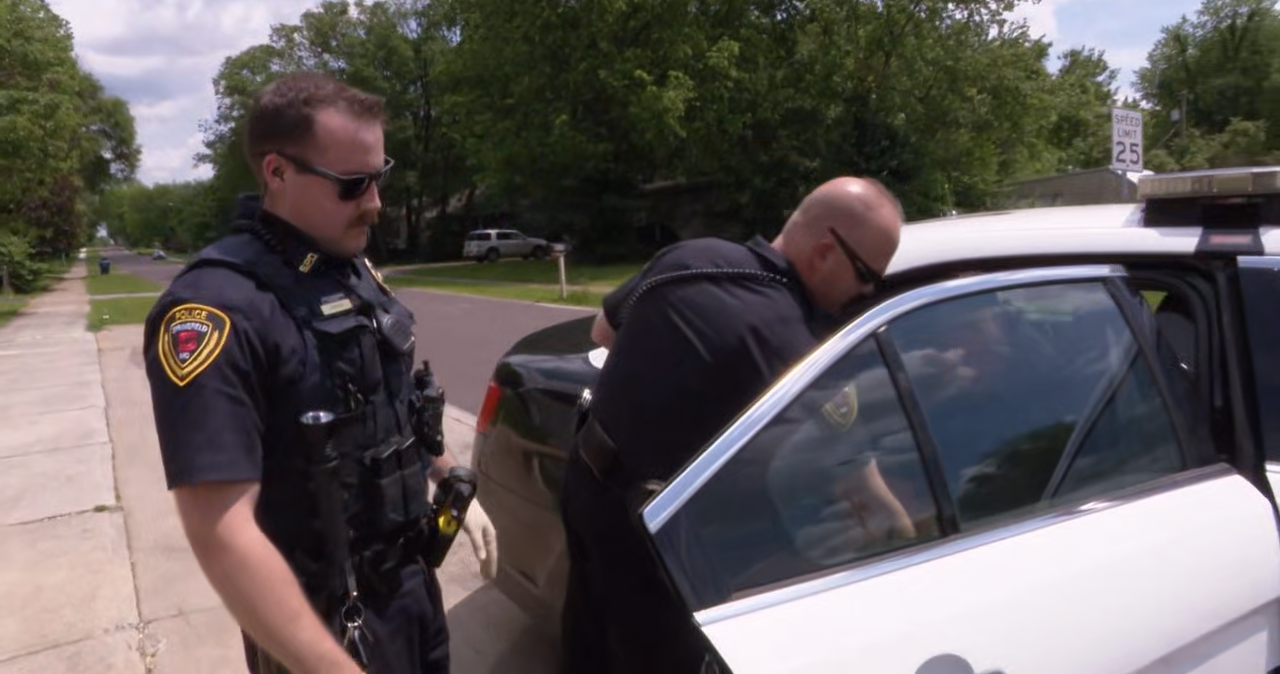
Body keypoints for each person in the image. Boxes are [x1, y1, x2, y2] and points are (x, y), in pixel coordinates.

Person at [142, 71, 497, 674]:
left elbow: (391, 400)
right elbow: (220, 531)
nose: (375, 203)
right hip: (321, 624)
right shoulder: (216, 309)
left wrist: (447, 475)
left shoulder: (350, 268)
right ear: (277, 172)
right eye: (353, 184)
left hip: (410, 588)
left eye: (380, 177)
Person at [560, 177, 908, 674]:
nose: (867, 292)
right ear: (826, 251)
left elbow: (603, 333)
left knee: (585, 643)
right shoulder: (805, 353)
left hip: (586, 489)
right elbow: (864, 492)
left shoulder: (692, 257)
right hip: (657, 548)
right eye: (867, 276)